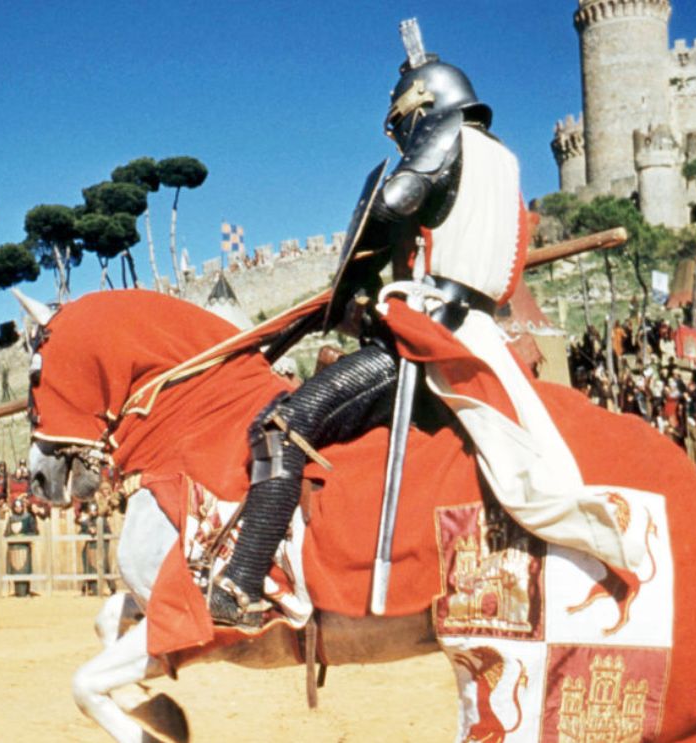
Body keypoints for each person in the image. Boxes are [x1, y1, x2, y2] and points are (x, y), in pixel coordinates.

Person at [211, 27, 630, 627]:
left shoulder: (446, 134)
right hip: (481, 330)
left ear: (421, 108)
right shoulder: (506, 158)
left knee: (284, 422)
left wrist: (361, 281)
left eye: (401, 119)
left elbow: (395, 201)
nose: (403, 134)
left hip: (427, 336)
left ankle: (246, 583)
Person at [4, 497, 38, 597]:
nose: (18, 509)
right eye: (16, 507)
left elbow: (34, 531)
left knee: (24, 569)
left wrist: (25, 536)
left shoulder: (28, 517)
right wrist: (11, 537)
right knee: (16, 569)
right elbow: (6, 533)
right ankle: (18, 592)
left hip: (24, 547)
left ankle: (25, 591)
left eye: (20, 507)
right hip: (14, 548)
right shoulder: (11, 519)